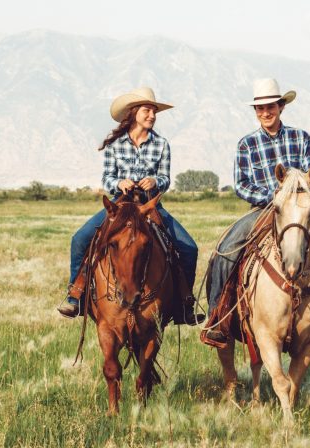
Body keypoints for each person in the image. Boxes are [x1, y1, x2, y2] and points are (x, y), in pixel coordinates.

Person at [200, 78, 310, 358]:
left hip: (296, 215)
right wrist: (271, 197)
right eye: (260, 108)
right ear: (255, 112)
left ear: (281, 107)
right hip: (261, 211)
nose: (265, 112)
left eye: (270, 107)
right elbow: (241, 184)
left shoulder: (301, 138)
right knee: (224, 253)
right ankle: (217, 318)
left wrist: (298, 201)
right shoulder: (247, 144)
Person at [57, 86, 202, 325]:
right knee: (80, 239)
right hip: (120, 205)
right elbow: (106, 178)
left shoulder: (162, 144)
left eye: (154, 112)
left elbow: (166, 178)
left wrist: (156, 181)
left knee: (188, 248)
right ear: (134, 112)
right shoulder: (115, 145)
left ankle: (184, 303)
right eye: (147, 110)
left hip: (149, 206)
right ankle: (76, 295)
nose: (152, 116)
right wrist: (118, 182)